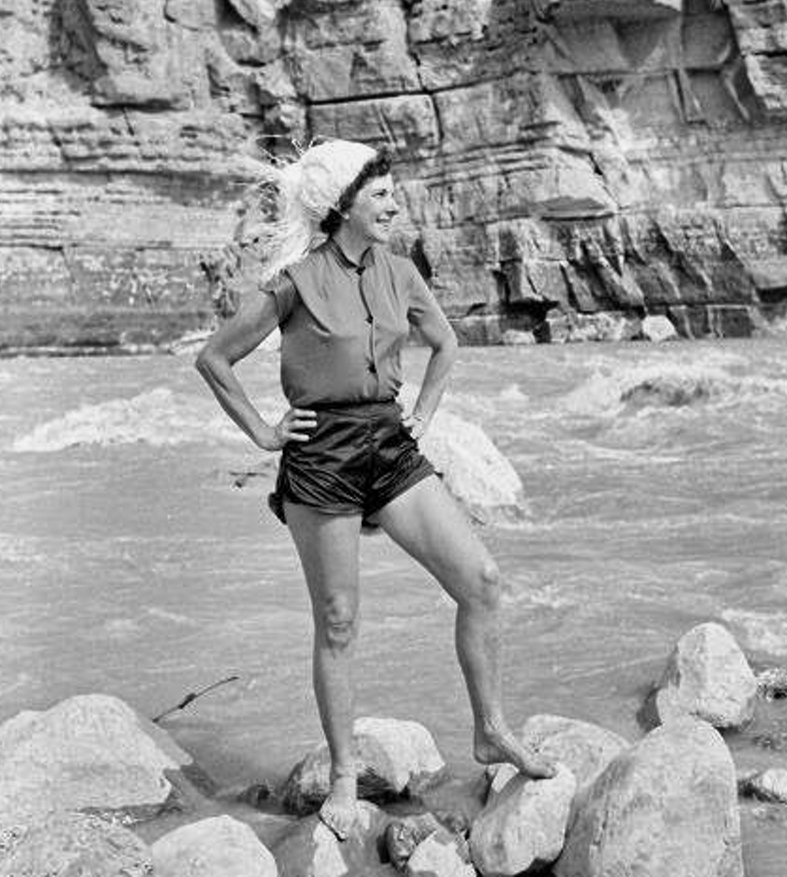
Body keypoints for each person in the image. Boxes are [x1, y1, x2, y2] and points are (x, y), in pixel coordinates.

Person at [195, 138, 555, 840]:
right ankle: (341, 776)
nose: (396, 204)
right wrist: (265, 435)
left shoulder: (400, 271)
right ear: (343, 206)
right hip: (321, 458)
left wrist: (422, 414)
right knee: (338, 621)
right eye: (382, 195)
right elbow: (215, 358)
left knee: (480, 579)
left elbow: (445, 344)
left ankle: (490, 730)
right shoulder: (295, 281)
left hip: (390, 448)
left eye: (394, 193)